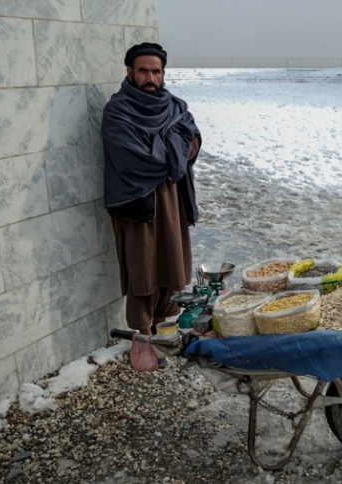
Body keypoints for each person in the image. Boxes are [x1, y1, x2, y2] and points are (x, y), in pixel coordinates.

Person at [101, 42, 202, 336]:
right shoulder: (117, 112)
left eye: (156, 72)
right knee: (143, 269)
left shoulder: (175, 107)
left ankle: (163, 327)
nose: (150, 78)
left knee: (172, 264)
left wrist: (170, 148)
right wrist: (173, 147)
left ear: (163, 74)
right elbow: (139, 160)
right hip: (137, 199)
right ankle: (141, 334)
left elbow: (193, 144)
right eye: (143, 71)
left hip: (172, 199)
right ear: (130, 72)